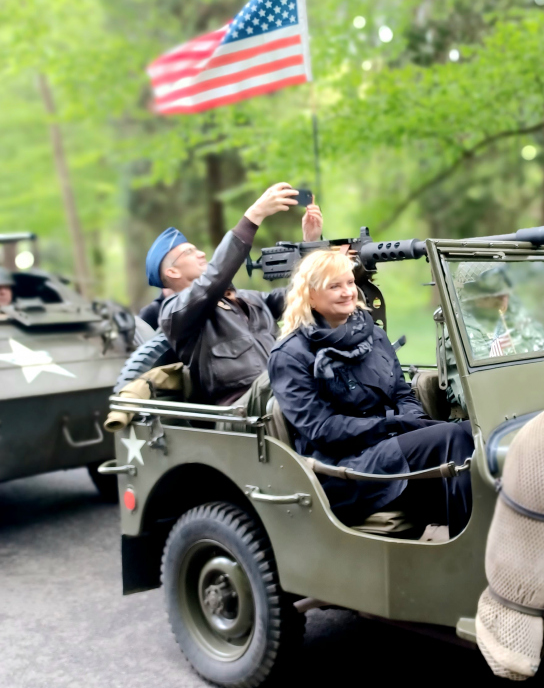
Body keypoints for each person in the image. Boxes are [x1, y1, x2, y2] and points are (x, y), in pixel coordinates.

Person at [268, 249, 475, 536]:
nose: (347, 292)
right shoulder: (290, 354)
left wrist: (413, 421)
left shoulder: (371, 334)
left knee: (471, 430)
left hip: (389, 446)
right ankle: (472, 550)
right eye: (334, 286)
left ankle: (497, 534)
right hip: (342, 467)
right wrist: (394, 426)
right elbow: (322, 429)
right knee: (450, 437)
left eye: (350, 283)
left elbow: (401, 392)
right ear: (310, 296)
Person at [149, 182, 323, 406]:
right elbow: (213, 278)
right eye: (189, 252)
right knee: (292, 393)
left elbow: (299, 295)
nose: (201, 254)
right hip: (241, 410)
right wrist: (254, 215)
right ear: (171, 271)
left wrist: (311, 245)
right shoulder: (174, 312)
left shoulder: (247, 299)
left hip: (281, 391)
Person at [445, 262, 544, 414]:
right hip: (485, 425)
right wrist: (494, 363)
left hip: (533, 407)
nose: (504, 295)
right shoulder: (459, 330)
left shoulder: (512, 317)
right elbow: (475, 402)